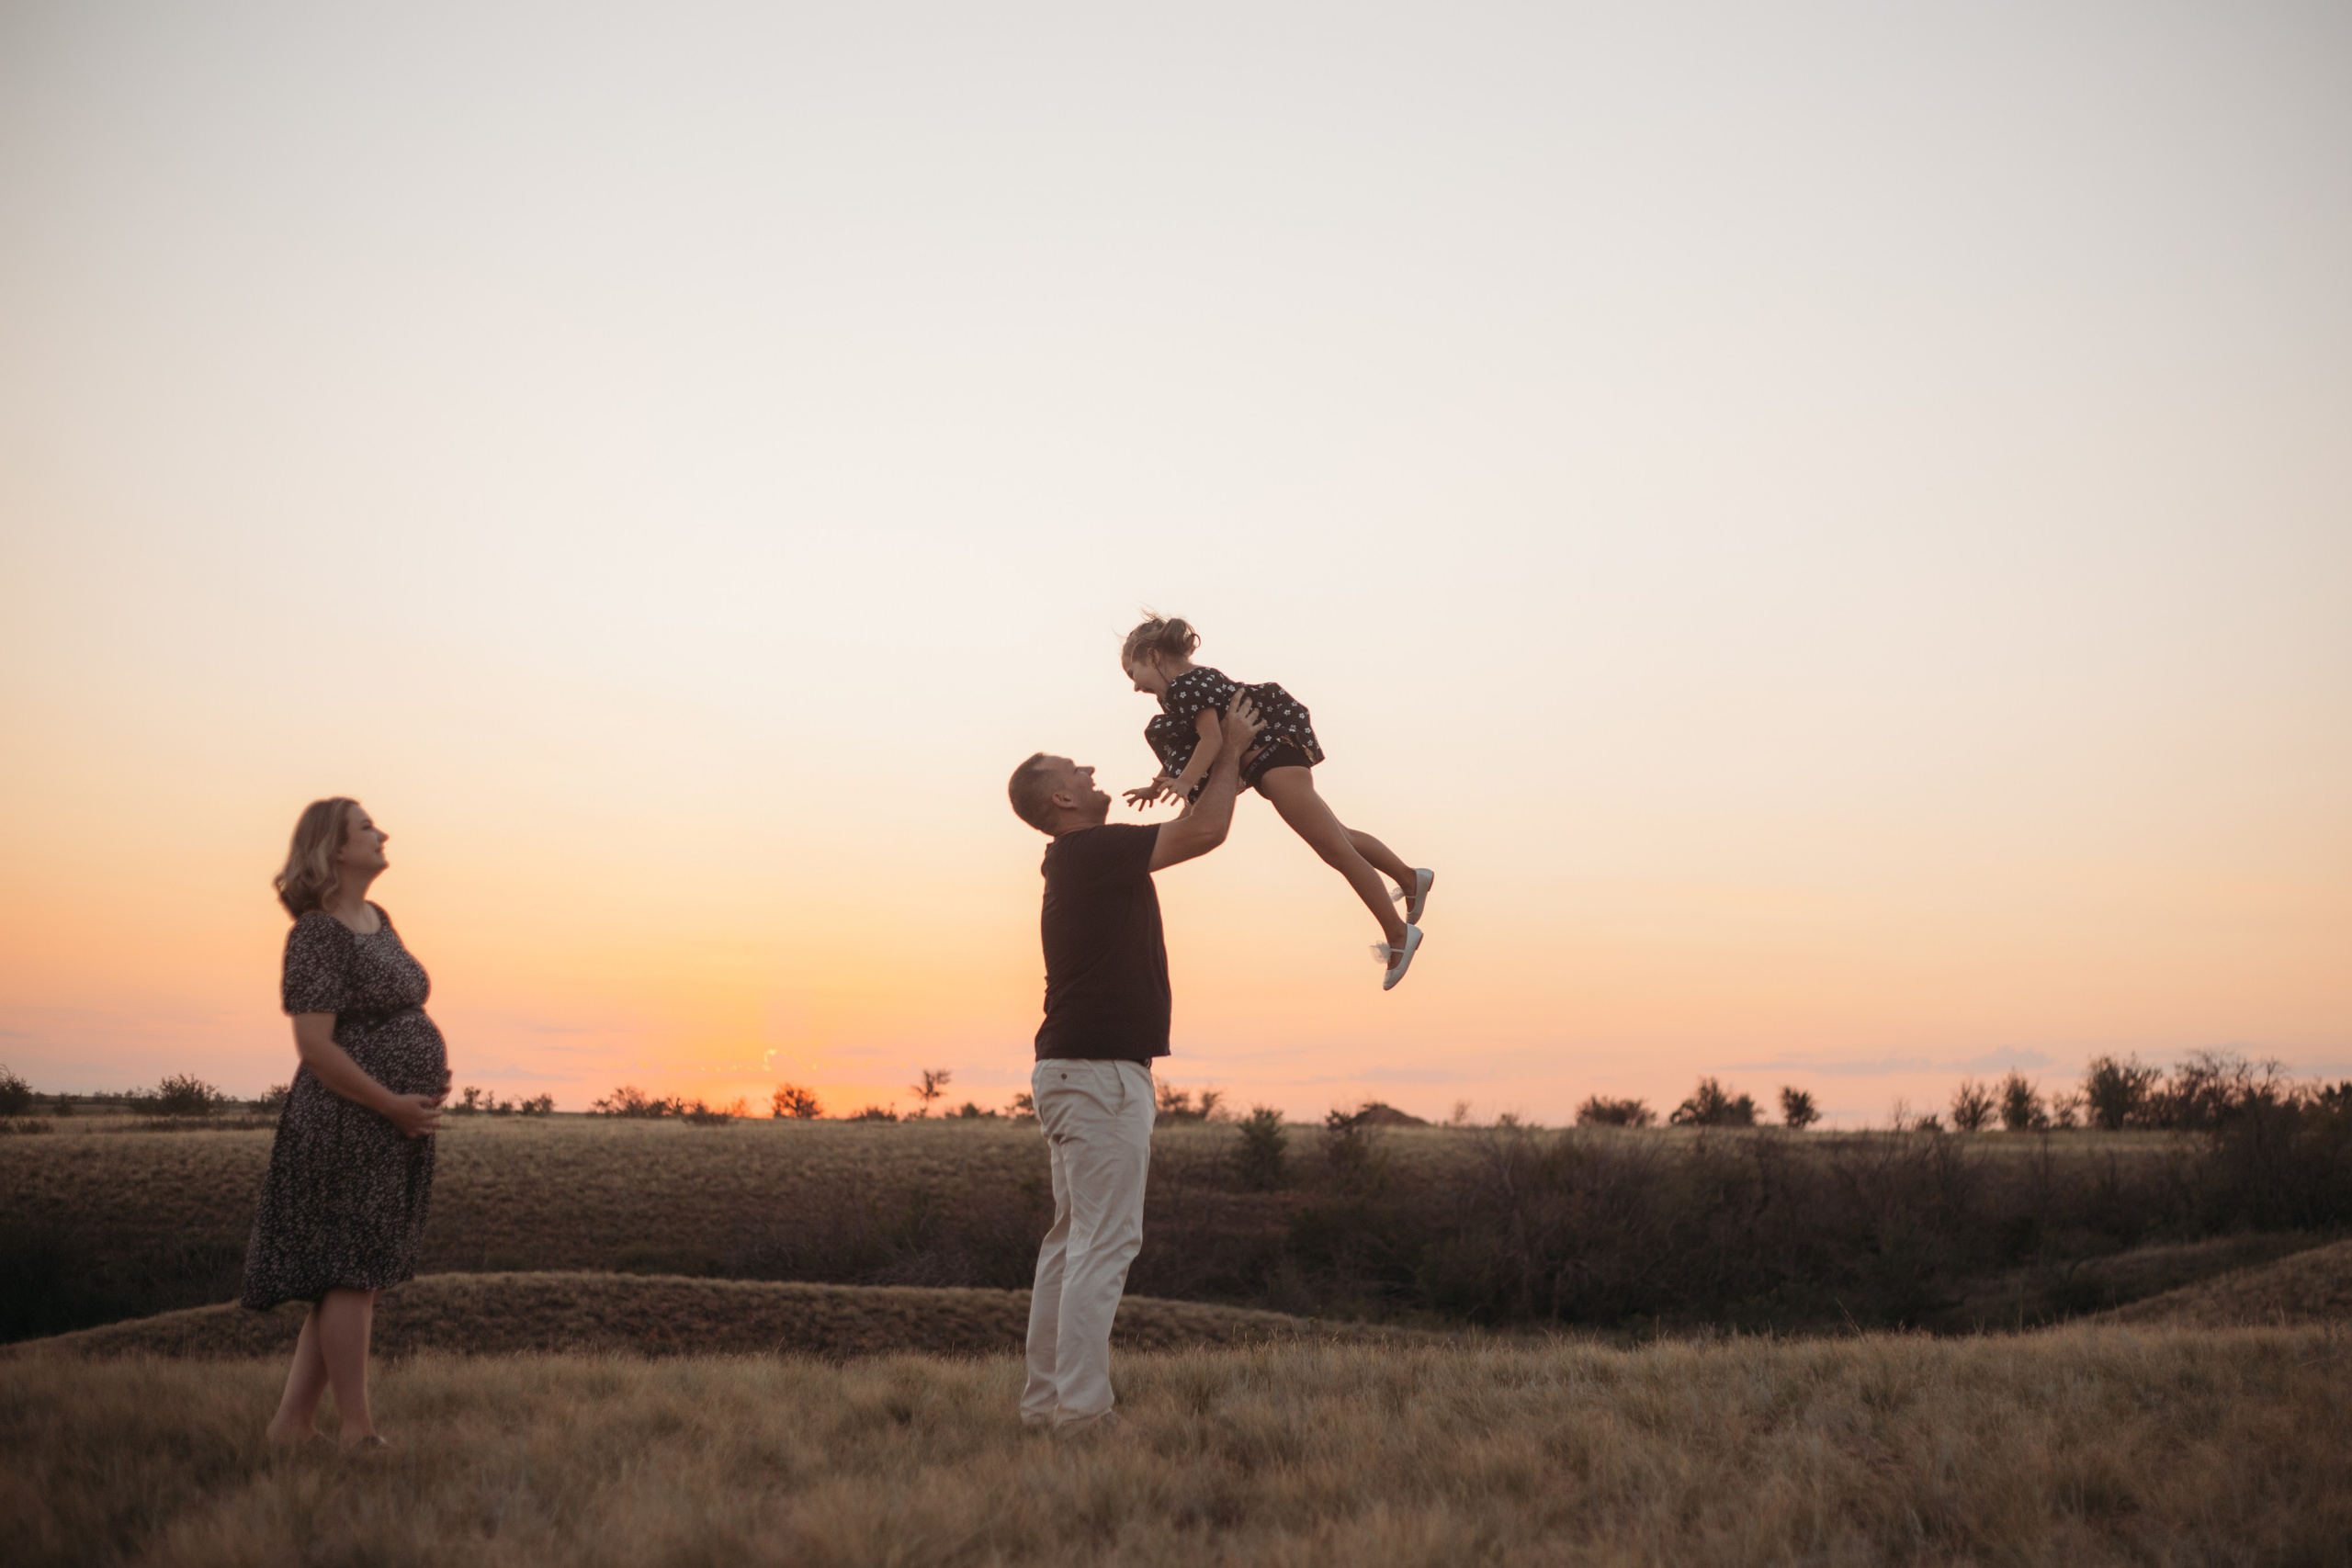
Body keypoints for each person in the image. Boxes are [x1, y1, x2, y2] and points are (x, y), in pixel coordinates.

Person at [1005, 691, 1264, 1436]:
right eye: (1074, 769)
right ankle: (1082, 1414)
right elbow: (1207, 829)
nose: (1089, 770)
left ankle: (1045, 1405)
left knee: (1070, 1242)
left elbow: (1193, 817)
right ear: (1061, 797)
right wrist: (1237, 749)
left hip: (1072, 1071)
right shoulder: (1092, 849)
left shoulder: (1081, 860)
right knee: (1104, 1241)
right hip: (1099, 1075)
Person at [243, 797, 450, 1452]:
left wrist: (410, 1100)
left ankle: (291, 1425)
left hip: (387, 1128)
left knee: (348, 1274)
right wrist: (390, 1100)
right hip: (344, 1124)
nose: (381, 832)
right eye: (366, 827)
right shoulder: (317, 933)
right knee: (351, 1274)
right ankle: (358, 1431)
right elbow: (315, 1045)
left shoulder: (377, 920)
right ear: (333, 847)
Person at [1120, 615, 1433, 989]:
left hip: (1272, 756)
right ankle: (1410, 878)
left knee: (1333, 848)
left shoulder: (1186, 686)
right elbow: (1191, 745)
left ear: (1153, 656)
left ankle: (1398, 934)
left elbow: (1211, 742)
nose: (1135, 687)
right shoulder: (1190, 685)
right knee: (1341, 836)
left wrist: (1186, 783)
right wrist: (1157, 786)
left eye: (1132, 673)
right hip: (1272, 756)